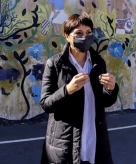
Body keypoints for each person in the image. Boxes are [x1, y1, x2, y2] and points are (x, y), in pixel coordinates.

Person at [40, 12, 119, 164]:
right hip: (65, 142)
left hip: (95, 140)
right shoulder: (55, 64)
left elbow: (105, 101)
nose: (85, 37)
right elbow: (46, 103)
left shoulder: (98, 62)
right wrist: (67, 90)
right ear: (67, 36)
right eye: (79, 33)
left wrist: (111, 88)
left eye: (89, 32)